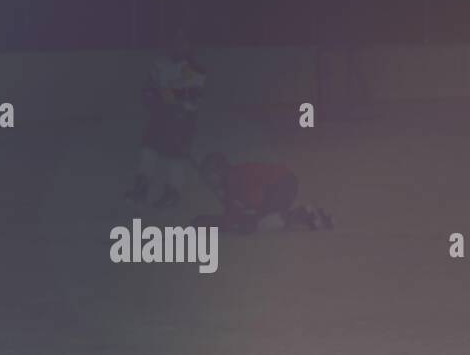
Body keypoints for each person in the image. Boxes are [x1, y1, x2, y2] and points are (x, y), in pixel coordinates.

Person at [124, 28, 206, 209]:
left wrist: (174, 103)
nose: (179, 46)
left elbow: (192, 97)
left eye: (184, 42)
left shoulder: (195, 70)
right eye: (176, 41)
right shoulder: (160, 64)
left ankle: (173, 192)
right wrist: (153, 100)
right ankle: (141, 188)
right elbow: (148, 89)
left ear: (190, 46)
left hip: (182, 119)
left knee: (175, 156)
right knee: (148, 149)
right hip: (159, 117)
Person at [194, 153, 332, 234]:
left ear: (220, 171)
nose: (207, 180)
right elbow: (234, 213)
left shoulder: (234, 180)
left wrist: (244, 216)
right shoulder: (232, 179)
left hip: (281, 183)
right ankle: (307, 217)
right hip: (284, 181)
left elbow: (255, 201)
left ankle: (304, 213)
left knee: (263, 222)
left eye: (209, 175)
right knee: (261, 221)